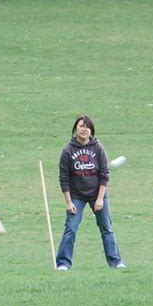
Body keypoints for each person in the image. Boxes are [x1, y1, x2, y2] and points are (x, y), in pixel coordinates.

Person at [55, 114, 125, 271]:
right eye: (81, 126)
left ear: (91, 130)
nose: (84, 129)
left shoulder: (98, 148)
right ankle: (63, 264)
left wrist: (100, 199)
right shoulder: (68, 151)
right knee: (70, 228)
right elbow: (64, 178)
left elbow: (104, 175)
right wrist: (69, 202)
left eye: (87, 126)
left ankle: (116, 262)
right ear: (75, 129)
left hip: (97, 195)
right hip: (76, 196)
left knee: (106, 228)